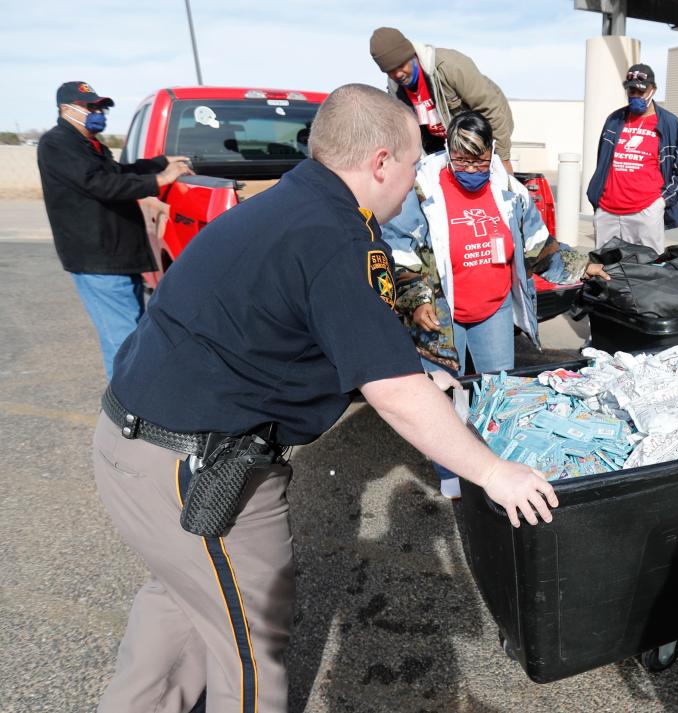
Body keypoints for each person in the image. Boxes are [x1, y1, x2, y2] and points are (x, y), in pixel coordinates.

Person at [91, 84, 557, 713]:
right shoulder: (338, 236)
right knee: (249, 652)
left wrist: (416, 364)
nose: (419, 181)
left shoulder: (291, 202)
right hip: (202, 470)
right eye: (417, 163)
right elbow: (391, 394)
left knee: (180, 609)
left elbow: (315, 317)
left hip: (134, 445)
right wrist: (492, 472)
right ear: (382, 162)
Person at [382, 110, 609, 498]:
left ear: (492, 154)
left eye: (479, 161)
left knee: (499, 394)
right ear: (449, 153)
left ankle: (499, 462)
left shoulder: (509, 191)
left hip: (494, 309)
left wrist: (582, 265)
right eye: (462, 161)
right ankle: (451, 469)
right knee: (445, 397)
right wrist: (416, 300)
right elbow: (399, 249)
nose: (471, 169)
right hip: (442, 314)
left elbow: (538, 245)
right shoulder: (421, 188)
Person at [37, 81, 194, 378]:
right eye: (89, 107)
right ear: (65, 109)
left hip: (118, 257)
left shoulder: (89, 145)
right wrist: (159, 180)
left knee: (133, 336)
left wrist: (159, 163)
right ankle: (124, 413)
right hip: (100, 261)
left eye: (100, 107)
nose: (98, 112)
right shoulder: (57, 143)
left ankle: (134, 402)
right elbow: (100, 184)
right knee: (123, 342)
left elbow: (118, 173)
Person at [369, 26, 516, 173]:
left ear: (411, 55)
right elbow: (403, 134)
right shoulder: (396, 91)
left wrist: (502, 158)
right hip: (443, 143)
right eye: (390, 71)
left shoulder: (450, 66)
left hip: (481, 132)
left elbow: (491, 108)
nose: (398, 74)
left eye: (401, 65)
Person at [586, 63, 678, 253]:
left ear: (653, 89)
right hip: (607, 210)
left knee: (647, 272)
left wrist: (661, 202)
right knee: (606, 271)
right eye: (631, 90)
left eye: (640, 90)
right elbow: (602, 161)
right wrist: (598, 197)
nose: (635, 95)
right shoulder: (614, 119)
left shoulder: (669, 123)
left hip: (645, 211)